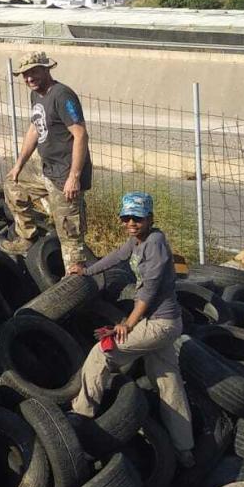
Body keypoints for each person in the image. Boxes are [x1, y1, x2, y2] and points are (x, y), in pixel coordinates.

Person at [67, 191, 195, 468]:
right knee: (168, 382)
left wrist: (127, 324)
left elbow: (147, 293)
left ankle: (81, 416)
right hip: (159, 323)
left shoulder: (156, 244)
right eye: (126, 218)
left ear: (150, 218)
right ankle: (185, 449)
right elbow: (115, 257)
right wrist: (86, 271)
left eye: (137, 217)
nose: (130, 223)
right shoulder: (137, 242)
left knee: (102, 352)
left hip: (159, 324)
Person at [3, 51, 92, 275]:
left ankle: (74, 280)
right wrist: (19, 164)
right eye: (24, 74)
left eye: (33, 72)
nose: (29, 78)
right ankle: (27, 236)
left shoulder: (62, 96)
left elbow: (80, 135)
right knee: (14, 184)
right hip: (46, 167)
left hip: (65, 173)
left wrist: (74, 177)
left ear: (46, 69)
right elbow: (35, 128)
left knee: (69, 233)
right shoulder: (37, 95)